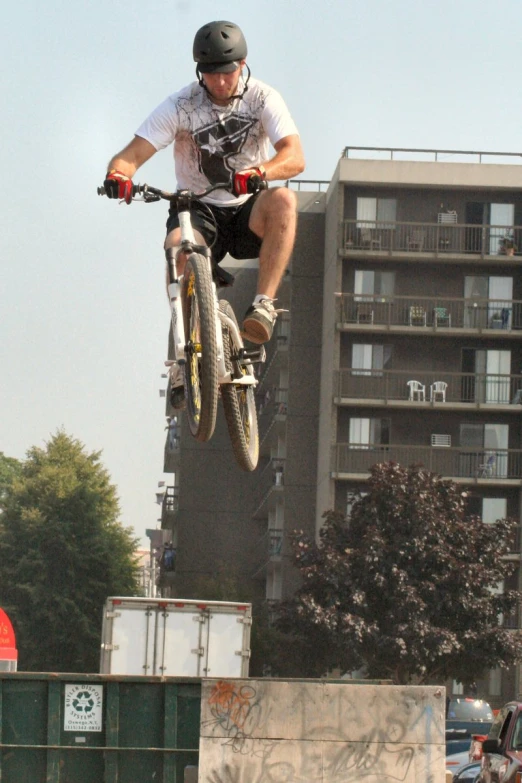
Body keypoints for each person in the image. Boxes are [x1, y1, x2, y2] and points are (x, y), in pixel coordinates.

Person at [103, 20, 305, 407]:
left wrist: (261, 173)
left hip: (247, 207)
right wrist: (118, 177)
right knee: (177, 247)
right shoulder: (181, 105)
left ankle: (263, 303)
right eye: (211, 74)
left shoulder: (263, 99)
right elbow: (130, 156)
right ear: (200, 72)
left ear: (242, 66)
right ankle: (183, 355)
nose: (220, 83)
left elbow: (294, 157)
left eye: (227, 73)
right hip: (196, 208)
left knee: (285, 201)